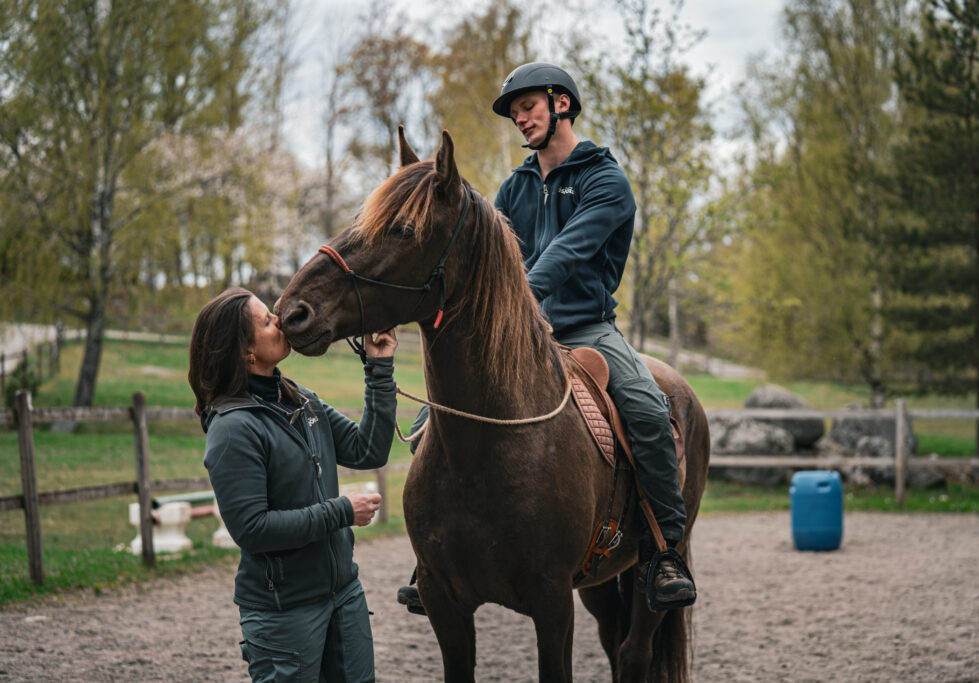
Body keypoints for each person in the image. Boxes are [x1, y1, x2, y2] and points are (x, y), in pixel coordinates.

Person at [398, 62, 695, 614]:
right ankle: (435, 558)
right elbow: (490, 260)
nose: (520, 119)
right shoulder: (513, 187)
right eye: (514, 113)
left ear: (561, 103)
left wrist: (515, 300)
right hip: (518, 333)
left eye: (528, 106)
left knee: (650, 414)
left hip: (587, 330)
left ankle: (664, 552)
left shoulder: (605, 181)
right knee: (429, 424)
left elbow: (567, 253)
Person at [189, 287, 397, 682]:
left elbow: (368, 449)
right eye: (267, 321)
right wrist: (341, 511)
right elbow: (253, 530)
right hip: (284, 613)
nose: (279, 322)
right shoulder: (233, 429)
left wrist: (379, 367)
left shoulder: (303, 400)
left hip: (344, 595)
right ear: (244, 351)